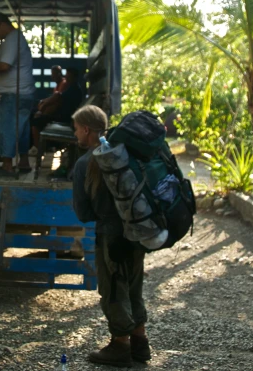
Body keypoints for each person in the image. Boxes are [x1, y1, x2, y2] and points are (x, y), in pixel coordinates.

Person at [71, 105, 151, 367]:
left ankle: (120, 344)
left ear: (86, 129)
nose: (75, 135)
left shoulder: (85, 163)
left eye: (76, 129)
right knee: (133, 285)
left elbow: (83, 213)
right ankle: (140, 342)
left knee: (112, 289)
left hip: (110, 236)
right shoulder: (124, 154)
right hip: (136, 229)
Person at [0, 12, 36, 177]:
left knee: (5, 128)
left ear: (1, 24)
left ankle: (7, 166)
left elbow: (4, 66)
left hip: (13, 94)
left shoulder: (12, 39)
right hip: (24, 93)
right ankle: (23, 162)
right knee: (21, 128)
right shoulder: (17, 39)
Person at [31, 68, 84, 151]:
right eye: (66, 75)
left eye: (68, 76)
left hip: (64, 119)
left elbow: (58, 97)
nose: (66, 77)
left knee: (35, 122)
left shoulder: (74, 88)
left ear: (74, 77)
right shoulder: (72, 87)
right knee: (36, 118)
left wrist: (42, 106)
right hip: (62, 117)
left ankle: (39, 149)